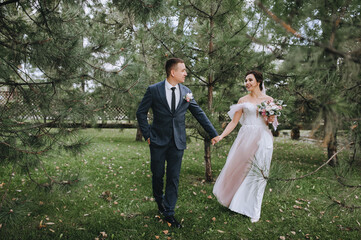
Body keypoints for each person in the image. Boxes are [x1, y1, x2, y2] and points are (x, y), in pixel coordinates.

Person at [136, 58, 219, 228]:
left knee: (173, 178)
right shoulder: (154, 90)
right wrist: (147, 135)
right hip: (158, 141)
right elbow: (141, 112)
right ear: (172, 72)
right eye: (183, 70)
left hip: (177, 143)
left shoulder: (186, 92)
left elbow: (199, 114)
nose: (186, 73)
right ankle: (159, 201)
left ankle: (169, 213)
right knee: (158, 175)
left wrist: (213, 134)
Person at [212, 70, 276, 223]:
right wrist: (221, 136)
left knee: (260, 173)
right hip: (246, 138)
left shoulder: (268, 100)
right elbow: (234, 122)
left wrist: (271, 118)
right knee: (240, 169)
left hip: (263, 138)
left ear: (258, 81)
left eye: (250, 80)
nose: (247, 83)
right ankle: (237, 202)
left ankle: (255, 210)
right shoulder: (242, 100)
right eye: (245, 80)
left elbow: (271, 123)